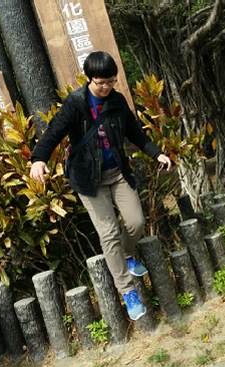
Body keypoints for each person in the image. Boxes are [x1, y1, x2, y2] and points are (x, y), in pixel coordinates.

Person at [30, 51, 171, 321]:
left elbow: (134, 132)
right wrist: (38, 159)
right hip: (89, 180)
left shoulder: (117, 101)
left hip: (117, 173)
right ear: (89, 79)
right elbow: (54, 132)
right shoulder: (75, 104)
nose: (106, 87)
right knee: (108, 234)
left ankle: (127, 255)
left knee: (136, 222)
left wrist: (156, 153)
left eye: (111, 81)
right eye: (101, 82)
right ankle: (128, 292)